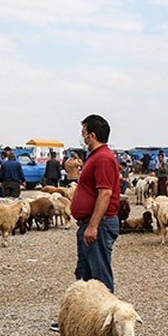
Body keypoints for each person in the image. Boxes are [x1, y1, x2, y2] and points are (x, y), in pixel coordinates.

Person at [71, 114, 121, 291]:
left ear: (92, 135)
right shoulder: (95, 157)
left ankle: (103, 316)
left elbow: (105, 193)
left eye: (83, 132)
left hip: (100, 225)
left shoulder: (103, 158)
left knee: (99, 279)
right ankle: (81, 317)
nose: (82, 136)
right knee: (85, 275)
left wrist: (93, 225)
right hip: (90, 224)